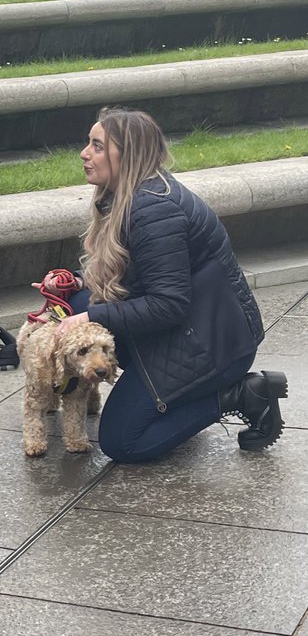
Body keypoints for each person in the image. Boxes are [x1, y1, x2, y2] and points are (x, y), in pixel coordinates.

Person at [56, 106, 286, 463]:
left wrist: (88, 318)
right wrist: (74, 285)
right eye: (89, 143)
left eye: (97, 146)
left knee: (122, 442)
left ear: (127, 155)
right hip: (191, 327)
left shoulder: (154, 211)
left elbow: (168, 305)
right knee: (76, 299)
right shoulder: (128, 196)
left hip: (213, 344)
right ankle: (169, 397)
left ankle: (240, 395)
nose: (85, 154)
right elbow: (145, 279)